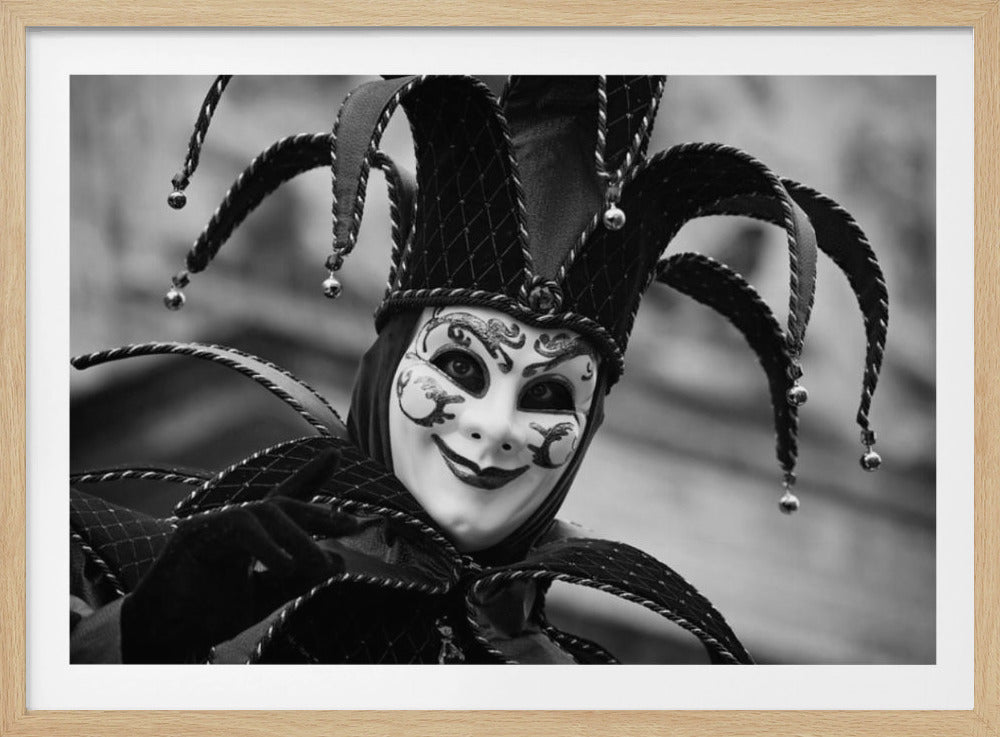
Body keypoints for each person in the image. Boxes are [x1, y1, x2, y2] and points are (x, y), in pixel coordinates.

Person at [69, 75, 889, 664]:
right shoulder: (111, 562)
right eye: (460, 363)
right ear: (389, 357)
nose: (493, 428)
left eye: (546, 394)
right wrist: (146, 634)